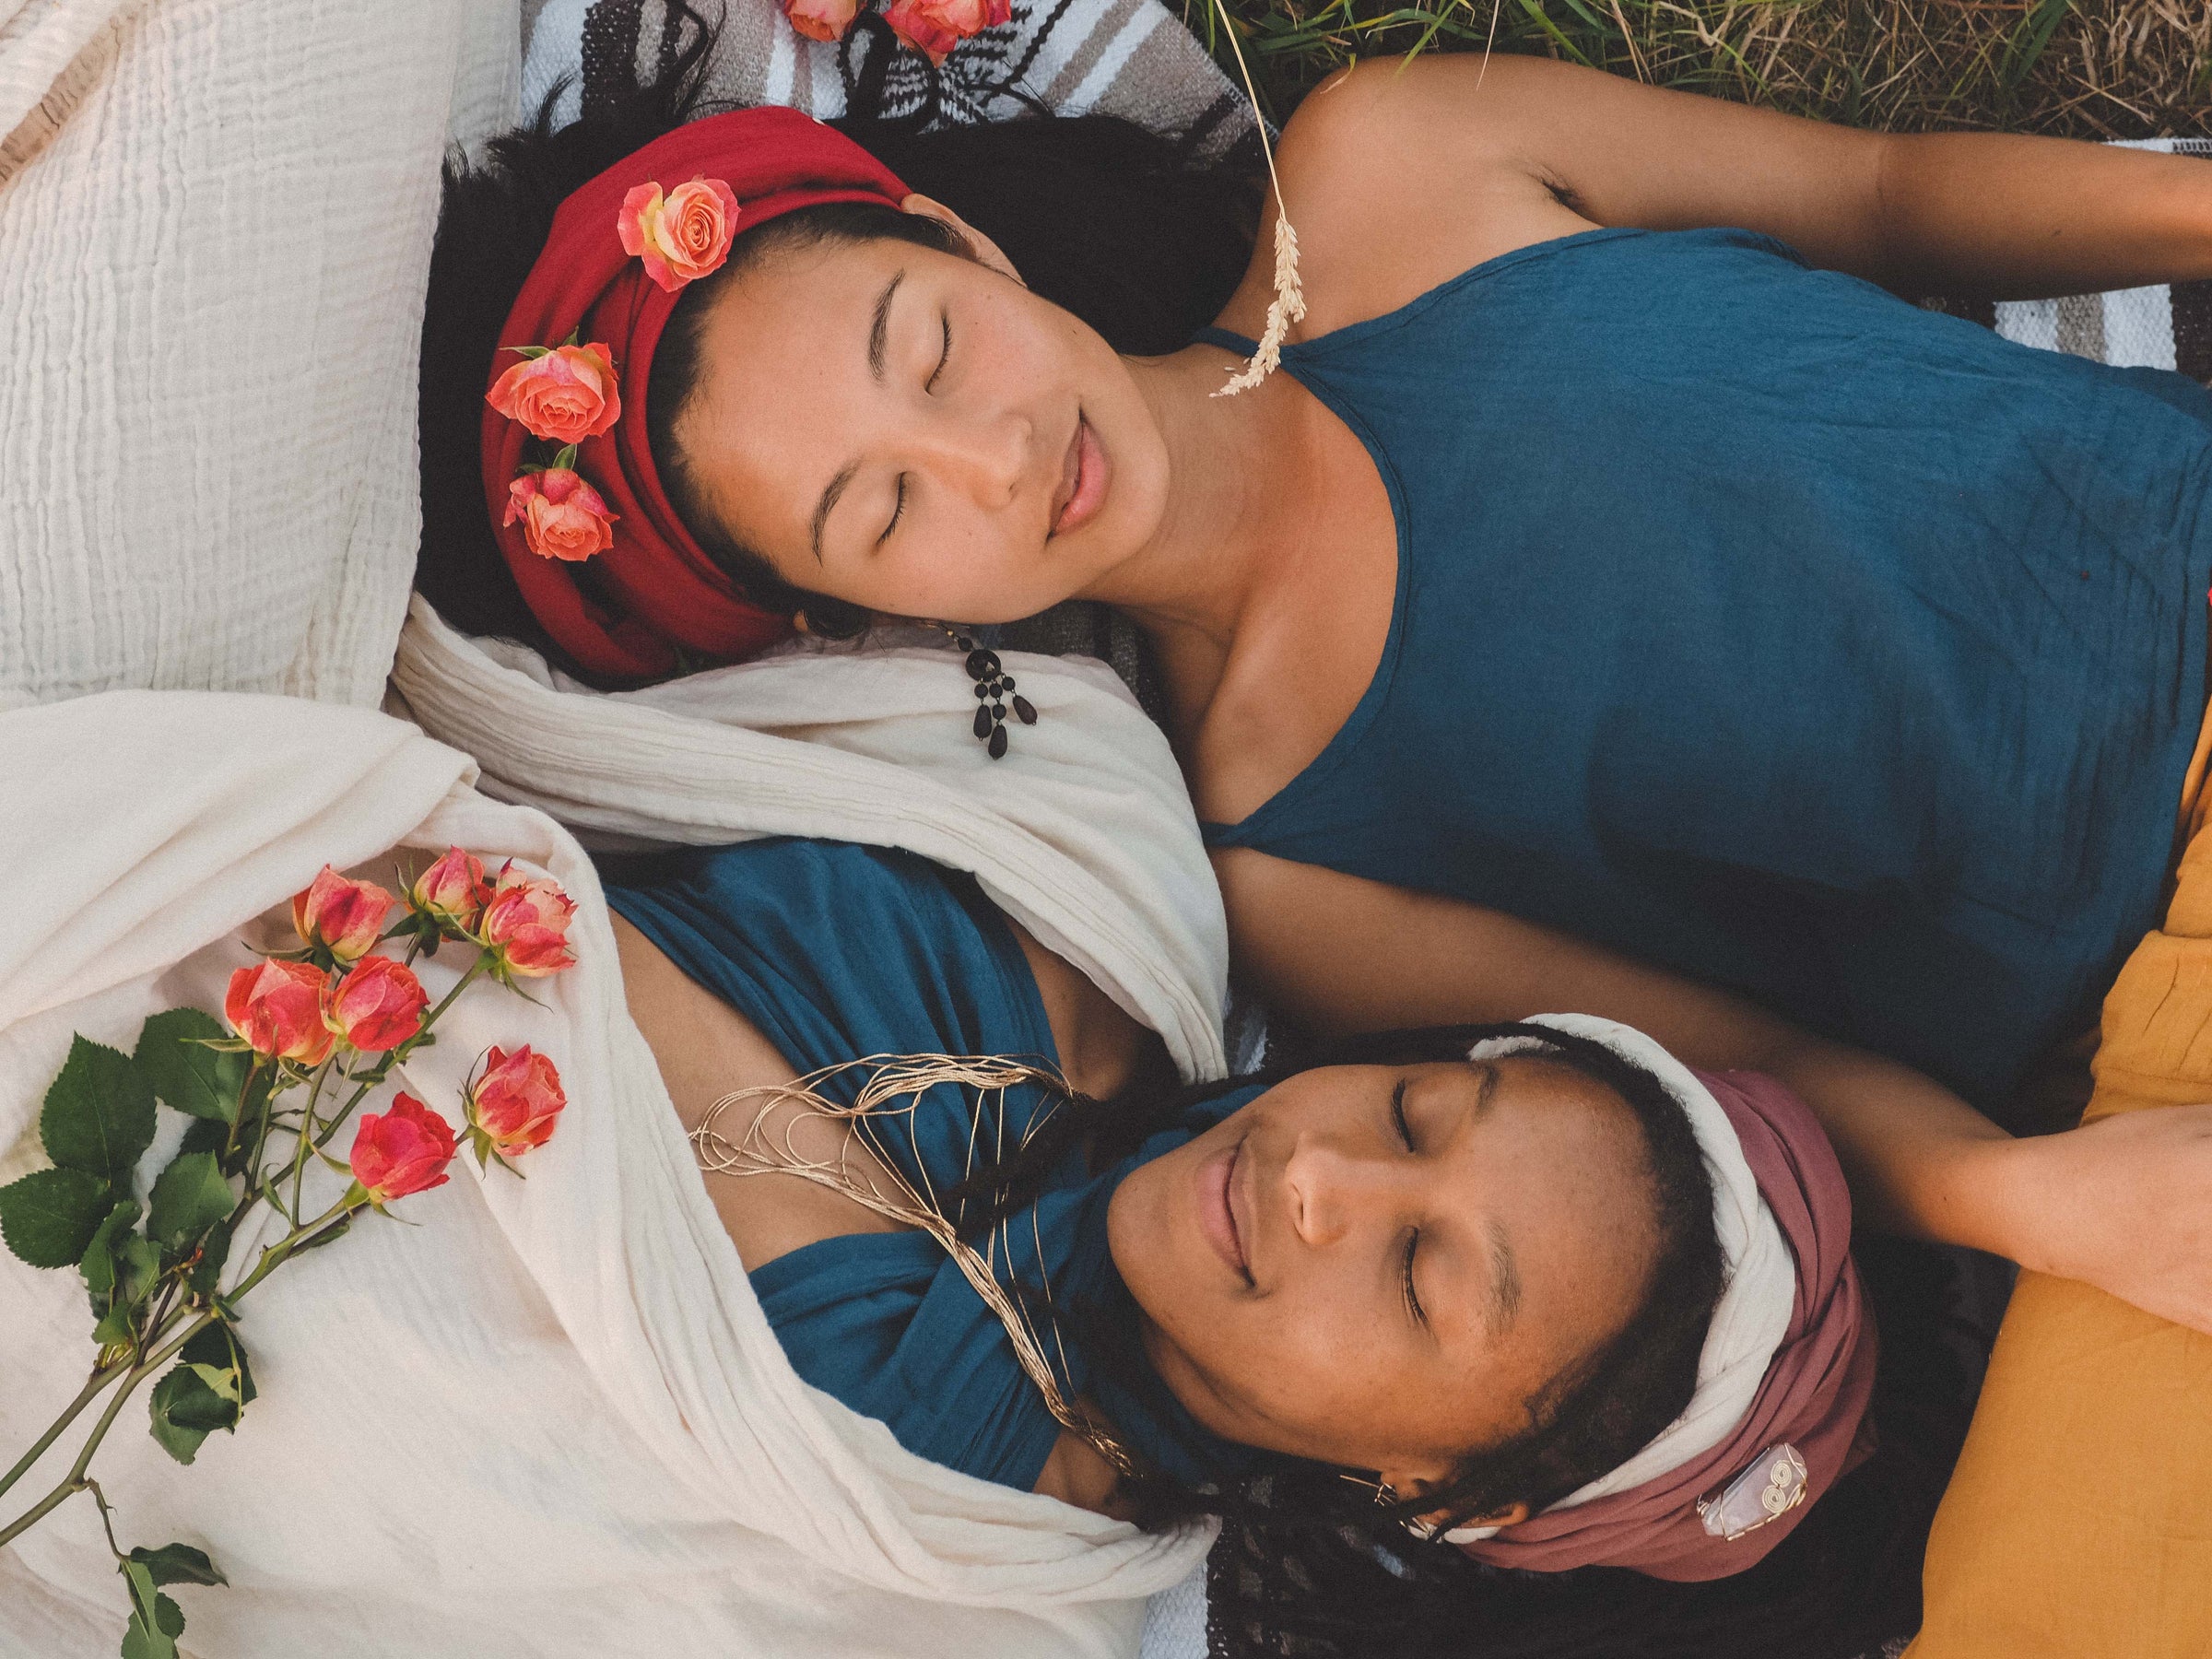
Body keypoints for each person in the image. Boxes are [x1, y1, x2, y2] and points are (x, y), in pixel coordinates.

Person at [418, 9, 2212, 1342]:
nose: (999, 455)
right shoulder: (1295, 861)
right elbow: (1766, 1074)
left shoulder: (1397, 171)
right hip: (2155, 972)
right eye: (884, 511)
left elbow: (1886, 194)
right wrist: (2026, 1202)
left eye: (935, 349)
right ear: (846, 627)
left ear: (958, 240)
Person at [594, 832, 1871, 1588]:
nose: (1320, 1177)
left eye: (1420, 1277)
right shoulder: (1087, 904)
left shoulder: (964, 1556)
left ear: (1436, 1492)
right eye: (1413, 1113)